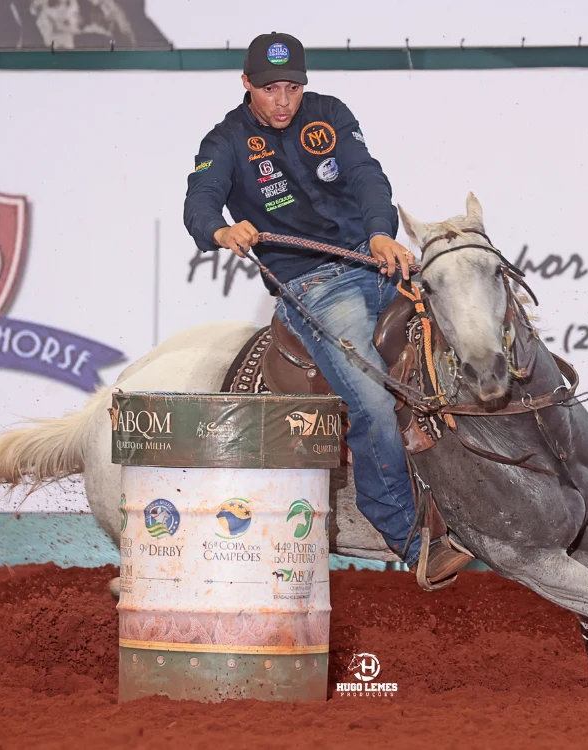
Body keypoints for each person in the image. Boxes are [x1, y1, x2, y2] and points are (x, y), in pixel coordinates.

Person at [182, 31, 472, 587]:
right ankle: (410, 540)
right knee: (371, 399)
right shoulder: (225, 141)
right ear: (247, 85)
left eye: (292, 87)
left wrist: (382, 234)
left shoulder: (330, 115)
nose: (284, 100)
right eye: (271, 89)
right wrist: (220, 228)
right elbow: (198, 202)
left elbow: (366, 176)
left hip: (375, 261)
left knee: (473, 328)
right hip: (310, 285)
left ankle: (545, 469)